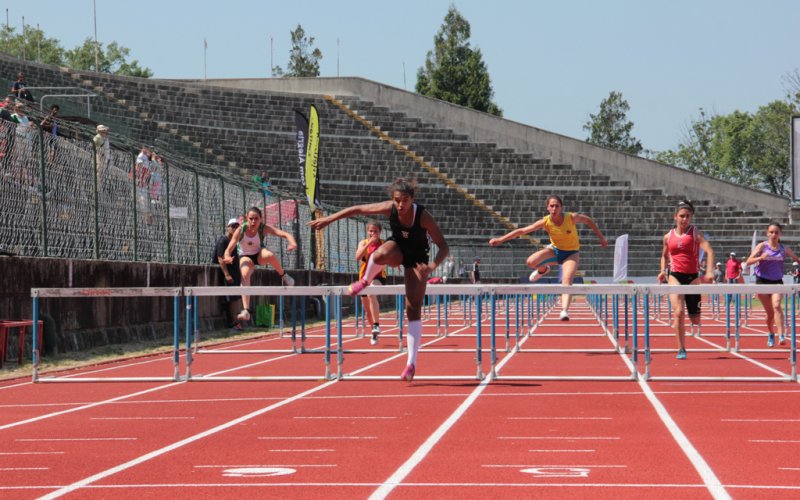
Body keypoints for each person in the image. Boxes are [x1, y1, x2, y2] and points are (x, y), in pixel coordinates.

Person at [307, 178, 449, 382]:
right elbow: (357, 209)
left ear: (412, 199)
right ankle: (365, 281)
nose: (401, 205)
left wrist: (432, 267)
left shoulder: (423, 216)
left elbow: (444, 246)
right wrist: (329, 220)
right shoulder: (389, 208)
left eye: (405, 201)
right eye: (398, 201)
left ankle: (411, 363)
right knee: (379, 254)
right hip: (398, 250)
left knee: (413, 309)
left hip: (418, 259)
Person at [488, 194, 608, 321]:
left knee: (566, 281)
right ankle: (543, 270)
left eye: (557, 206)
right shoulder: (545, 222)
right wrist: (500, 239)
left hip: (571, 253)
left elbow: (588, 220)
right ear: (548, 208)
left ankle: (564, 310)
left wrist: (601, 237)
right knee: (530, 261)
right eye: (552, 206)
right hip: (555, 251)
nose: (554, 208)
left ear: (561, 207)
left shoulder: (571, 217)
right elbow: (522, 231)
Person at [657, 200, 714, 360]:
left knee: (695, 320)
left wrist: (709, 272)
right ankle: (681, 348)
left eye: (688, 216)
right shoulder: (668, 236)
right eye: (682, 216)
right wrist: (663, 270)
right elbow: (664, 256)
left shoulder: (696, 233)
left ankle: (690, 320)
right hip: (675, 276)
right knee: (678, 312)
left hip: (693, 277)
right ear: (675, 217)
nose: (684, 219)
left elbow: (709, 251)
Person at [224, 206, 297, 323]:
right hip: (245, 257)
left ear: (261, 219)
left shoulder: (263, 228)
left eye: (256, 219)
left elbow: (285, 234)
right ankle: (246, 310)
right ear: (246, 219)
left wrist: (292, 243)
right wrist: (227, 256)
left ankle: (284, 275)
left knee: (269, 254)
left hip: (259, 254)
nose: (253, 222)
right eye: (251, 219)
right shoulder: (240, 230)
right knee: (244, 273)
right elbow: (229, 248)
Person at [745, 222, 800, 347]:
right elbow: (748, 262)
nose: (774, 235)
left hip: (777, 281)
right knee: (770, 314)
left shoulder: (784, 249)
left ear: (780, 234)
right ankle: (771, 333)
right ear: (767, 233)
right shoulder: (762, 246)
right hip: (762, 281)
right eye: (771, 232)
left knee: (776, 306)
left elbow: (797, 259)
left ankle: (781, 335)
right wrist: (760, 258)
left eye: (776, 232)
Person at [356, 220, 388, 344]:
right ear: (367, 232)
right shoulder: (363, 243)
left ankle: (376, 324)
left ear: (380, 232)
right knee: (368, 313)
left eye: (375, 231)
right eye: (371, 231)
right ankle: (374, 332)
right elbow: (358, 257)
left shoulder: (384, 244)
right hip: (363, 279)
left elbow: (392, 256)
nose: (373, 233)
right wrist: (368, 244)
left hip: (379, 276)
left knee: (372, 291)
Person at [213, 218, 243, 330]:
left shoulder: (234, 242)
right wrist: (226, 274)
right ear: (228, 227)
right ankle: (233, 323)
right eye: (233, 226)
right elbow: (220, 258)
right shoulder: (223, 240)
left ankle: (235, 322)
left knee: (235, 298)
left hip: (235, 274)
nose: (235, 228)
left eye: (237, 226)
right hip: (229, 275)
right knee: (231, 299)